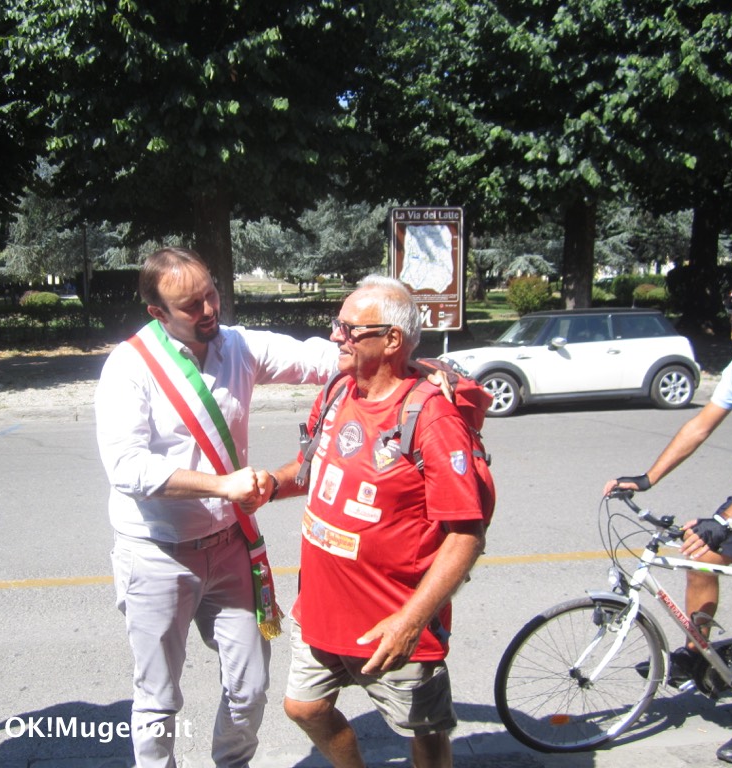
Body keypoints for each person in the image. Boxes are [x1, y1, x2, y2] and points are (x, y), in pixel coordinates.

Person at [94, 247, 341, 768]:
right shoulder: (129, 367)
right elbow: (127, 468)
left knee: (250, 685)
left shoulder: (238, 347)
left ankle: (232, 764)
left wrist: (407, 360)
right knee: (158, 697)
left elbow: (319, 359)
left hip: (229, 548)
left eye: (211, 294)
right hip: (156, 553)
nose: (209, 310)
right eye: (191, 305)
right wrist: (222, 486)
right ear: (157, 313)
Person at [262, 275, 487, 768]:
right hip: (320, 608)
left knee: (423, 732)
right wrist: (271, 485)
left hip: (393, 621)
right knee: (304, 706)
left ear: (391, 341)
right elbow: (314, 468)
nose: (336, 337)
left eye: (348, 329)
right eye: (337, 325)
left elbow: (467, 534)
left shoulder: (431, 417)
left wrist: (411, 622)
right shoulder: (339, 391)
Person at [605, 277, 732, 764]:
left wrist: (726, 517)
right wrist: (647, 478)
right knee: (698, 554)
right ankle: (700, 653)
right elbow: (700, 425)